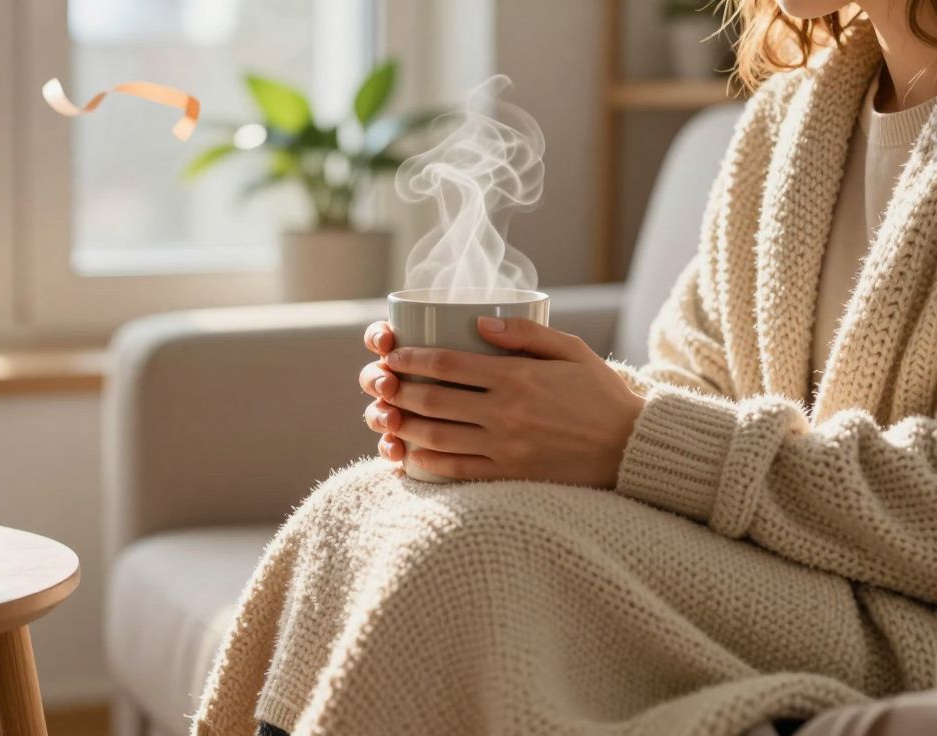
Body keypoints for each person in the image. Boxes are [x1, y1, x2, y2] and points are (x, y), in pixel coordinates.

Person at [193, 1, 937, 735]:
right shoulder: (785, 128)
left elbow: (684, 437)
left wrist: (633, 438)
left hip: (903, 619)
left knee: (466, 556)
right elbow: (697, 388)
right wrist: (544, 417)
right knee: (356, 507)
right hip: (776, 569)